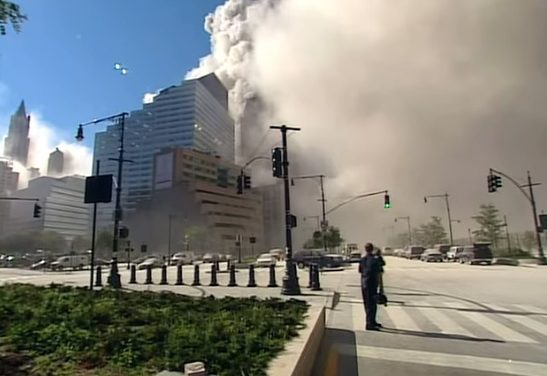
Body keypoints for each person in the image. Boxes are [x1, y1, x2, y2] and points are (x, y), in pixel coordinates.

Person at [359, 243, 381, 330]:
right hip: (372, 283)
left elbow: (360, 270)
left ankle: (372, 321)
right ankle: (369, 324)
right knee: (372, 304)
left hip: (364, 283)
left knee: (367, 303)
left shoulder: (363, 259)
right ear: (372, 249)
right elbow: (379, 270)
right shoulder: (375, 260)